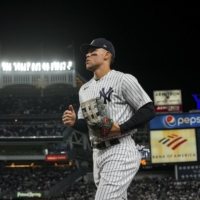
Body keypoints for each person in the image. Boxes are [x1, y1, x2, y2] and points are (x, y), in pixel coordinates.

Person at [62, 38, 156, 200]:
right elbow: (89, 125)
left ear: (107, 55)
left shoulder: (123, 79)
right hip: (98, 152)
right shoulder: (85, 89)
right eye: (87, 53)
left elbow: (148, 110)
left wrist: (121, 127)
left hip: (120, 149)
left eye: (93, 52)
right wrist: (74, 123)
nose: (87, 56)